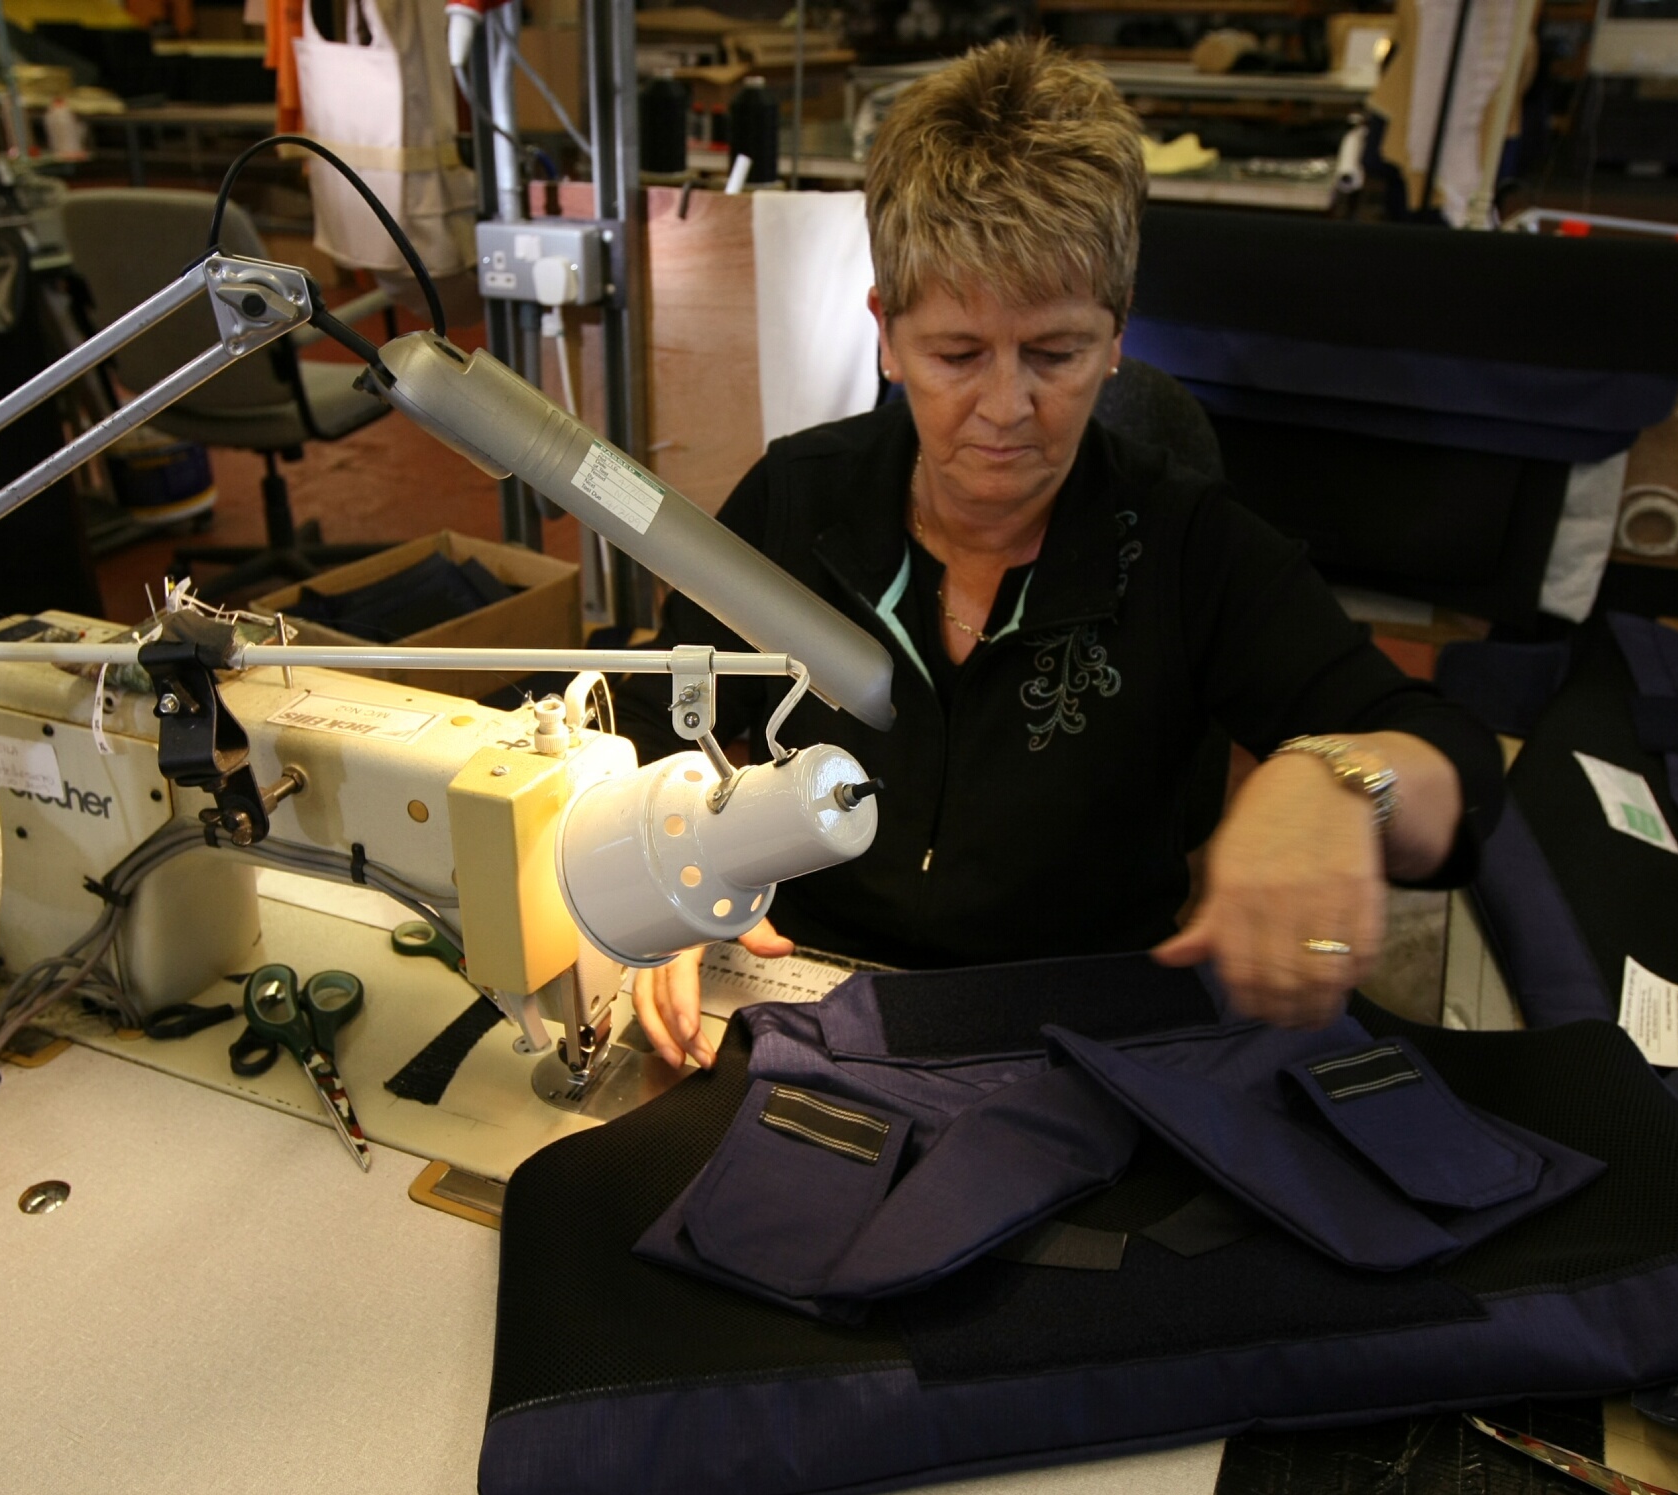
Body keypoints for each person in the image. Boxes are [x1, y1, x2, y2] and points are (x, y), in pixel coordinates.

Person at [616, 36, 1503, 1066]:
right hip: (796, 1007)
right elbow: (652, 715)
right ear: (887, 334)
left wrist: (1345, 782)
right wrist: (659, 873)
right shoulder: (796, 497)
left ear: (1118, 334)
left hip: (1070, 1049)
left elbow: (1455, 760)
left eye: (1056, 353)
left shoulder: (1187, 547)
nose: (1006, 409)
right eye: (956, 354)